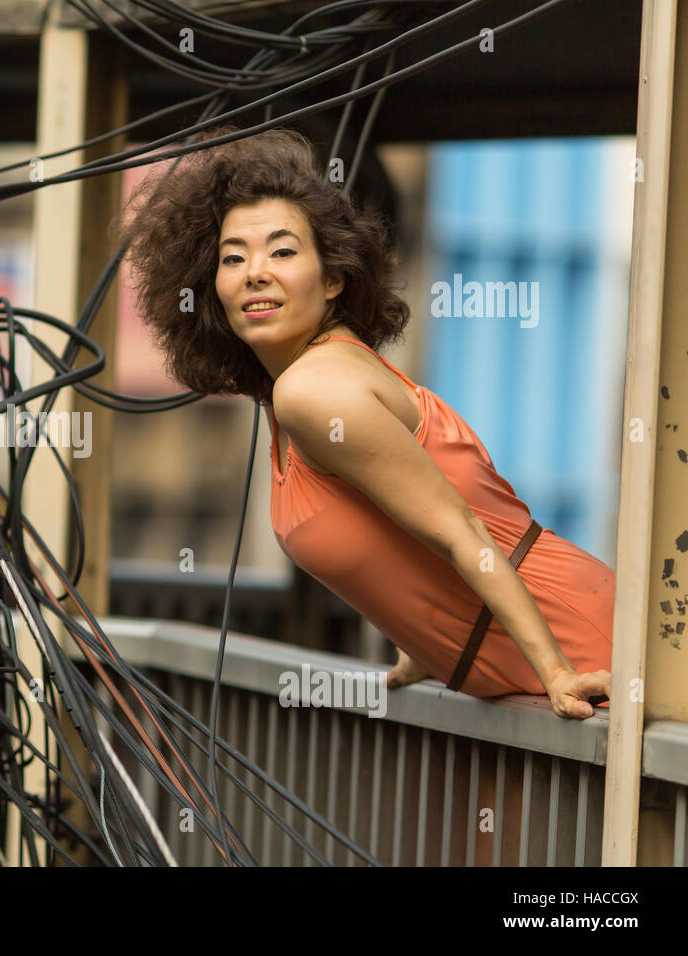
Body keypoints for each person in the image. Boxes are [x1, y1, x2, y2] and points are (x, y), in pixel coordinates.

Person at [116, 127, 612, 720]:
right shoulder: (297, 389)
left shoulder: (312, 388)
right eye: (233, 256)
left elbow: (462, 530)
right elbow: (384, 525)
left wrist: (558, 671)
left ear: (333, 279)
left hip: (574, 641)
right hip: (520, 663)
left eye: (282, 250)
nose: (255, 272)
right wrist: (427, 640)